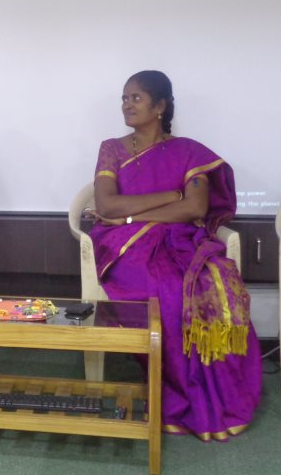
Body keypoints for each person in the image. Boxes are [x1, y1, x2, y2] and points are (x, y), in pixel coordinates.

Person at [88, 69, 261, 441]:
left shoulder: (188, 152)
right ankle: (176, 392)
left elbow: (194, 207)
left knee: (216, 283)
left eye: (135, 98)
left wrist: (134, 212)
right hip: (124, 244)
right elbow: (107, 204)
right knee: (164, 289)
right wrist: (168, 197)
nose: (126, 105)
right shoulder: (112, 148)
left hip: (181, 239)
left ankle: (216, 398)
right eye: (124, 98)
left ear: (160, 106)